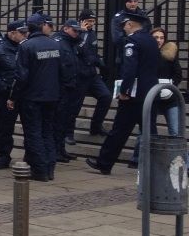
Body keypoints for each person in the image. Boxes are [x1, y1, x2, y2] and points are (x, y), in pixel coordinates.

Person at [86, 11, 161, 175]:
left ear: (130, 24)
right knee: (150, 132)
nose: (124, 28)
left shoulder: (132, 41)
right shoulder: (151, 41)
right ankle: (156, 168)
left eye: (125, 25)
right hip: (151, 93)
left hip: (134, 96)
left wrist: (124, 91)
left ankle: (104, 163)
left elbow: (129, 70)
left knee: (119, 131)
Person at [13, 13, 67, 181]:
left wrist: (14, 96)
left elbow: (21, 76)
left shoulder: (26, 46)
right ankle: (50, 168)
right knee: (47, 132)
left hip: (33, 97)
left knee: (34, 133)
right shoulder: (56, 45)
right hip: (52, 96)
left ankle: (40, 169)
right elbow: (64, 73)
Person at [130, 27, 184, 168]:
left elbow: (178, 74)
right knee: (145, 129)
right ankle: (136, 159)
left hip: (169, 98)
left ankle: (183, 162)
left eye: (161, 38)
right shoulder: (146, 53)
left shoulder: (169, 54)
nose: (159, 40)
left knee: (175, 131)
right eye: (156, 37)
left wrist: (171, 85)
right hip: (151, 98)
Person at [0, 20, 26, 169]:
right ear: (12, 33)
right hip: (6, 93)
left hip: (24, 93)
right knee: (5, 127)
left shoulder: (27, 47)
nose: (25, 35)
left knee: (29, 125)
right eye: (22, 33)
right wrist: (1, 86)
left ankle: (30, 154)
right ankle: (3, 154)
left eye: (26, 32)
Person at [52, 19, 85, 162]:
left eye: (78, 31)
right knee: (58, 121)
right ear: (65, 29)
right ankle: (56, 151)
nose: (77, 33)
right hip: (61, 88)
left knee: (64, 121)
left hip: (70, 87)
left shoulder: (70, 43)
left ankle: (61, 149)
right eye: (74, 30)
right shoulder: (59, 42)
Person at [75, 9, 112, 138]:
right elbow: (78, 50)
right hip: (79, 74)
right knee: (75, 105)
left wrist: (101, 65)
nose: (91, 24)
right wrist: (82, 32)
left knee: (106, 96)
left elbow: (93, 52)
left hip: (91, 73)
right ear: (81, 21)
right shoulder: (77, 33)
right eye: (88, 21)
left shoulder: (92, 33)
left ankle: (96, 126)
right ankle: (67, 132)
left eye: (93, 21)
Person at [110, 0, 142, 65]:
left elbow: (148, 32)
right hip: (125, 54)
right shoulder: (118, 18)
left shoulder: (143, 15)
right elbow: (117, 39)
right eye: (130, 2)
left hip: (141, 54)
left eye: (135, 1)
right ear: (125, 2)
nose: (133, 4)